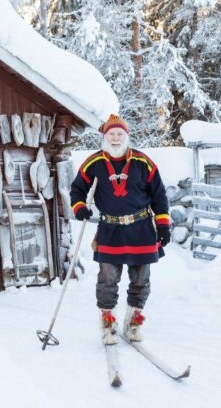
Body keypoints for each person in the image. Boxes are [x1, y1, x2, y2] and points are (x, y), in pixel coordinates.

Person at [69, 114, 170, 345]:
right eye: (111, 134)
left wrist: (163, 225)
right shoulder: (93, 162)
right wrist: (80, 207)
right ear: (105, 137)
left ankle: (133, 324)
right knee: (107, 280)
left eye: (119, 134)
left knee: (141, 280)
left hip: (142, 228)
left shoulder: (143, 162)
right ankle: (108, 325)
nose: (115, 138)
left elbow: (159, 195)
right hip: (110, 230)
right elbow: (77, 189)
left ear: (126, 136)